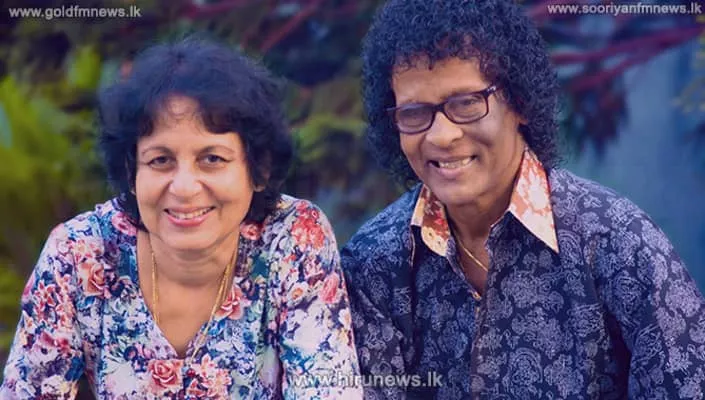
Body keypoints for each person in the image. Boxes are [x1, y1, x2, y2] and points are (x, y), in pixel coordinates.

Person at [341, 0, 705, 399]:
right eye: (414, 113)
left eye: (466, 103)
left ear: (520, 103)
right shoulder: (372, 263)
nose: (441, 136)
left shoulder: (619, 243)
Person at [1, 38, 362, 399]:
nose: (185, 188)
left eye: (212, 159)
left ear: (259, 169)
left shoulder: (294, 239)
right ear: (131, 172)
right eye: (161, 160)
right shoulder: (79, 255)